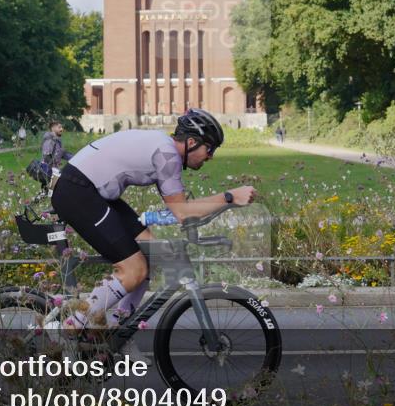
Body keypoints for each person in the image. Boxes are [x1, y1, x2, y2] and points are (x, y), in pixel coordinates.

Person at [47, 108, 257, 339]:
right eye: (210, 148)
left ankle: (113, 333)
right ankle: (72, 327)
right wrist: (229, 197)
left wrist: (227, 201)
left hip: (90, 190)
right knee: (134, 269)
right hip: (77, 191)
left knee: (152, 254)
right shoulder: (167, 156)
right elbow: (183, 213)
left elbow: (180, 209)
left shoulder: (165, 150)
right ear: (191, 142)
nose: (210, 156)